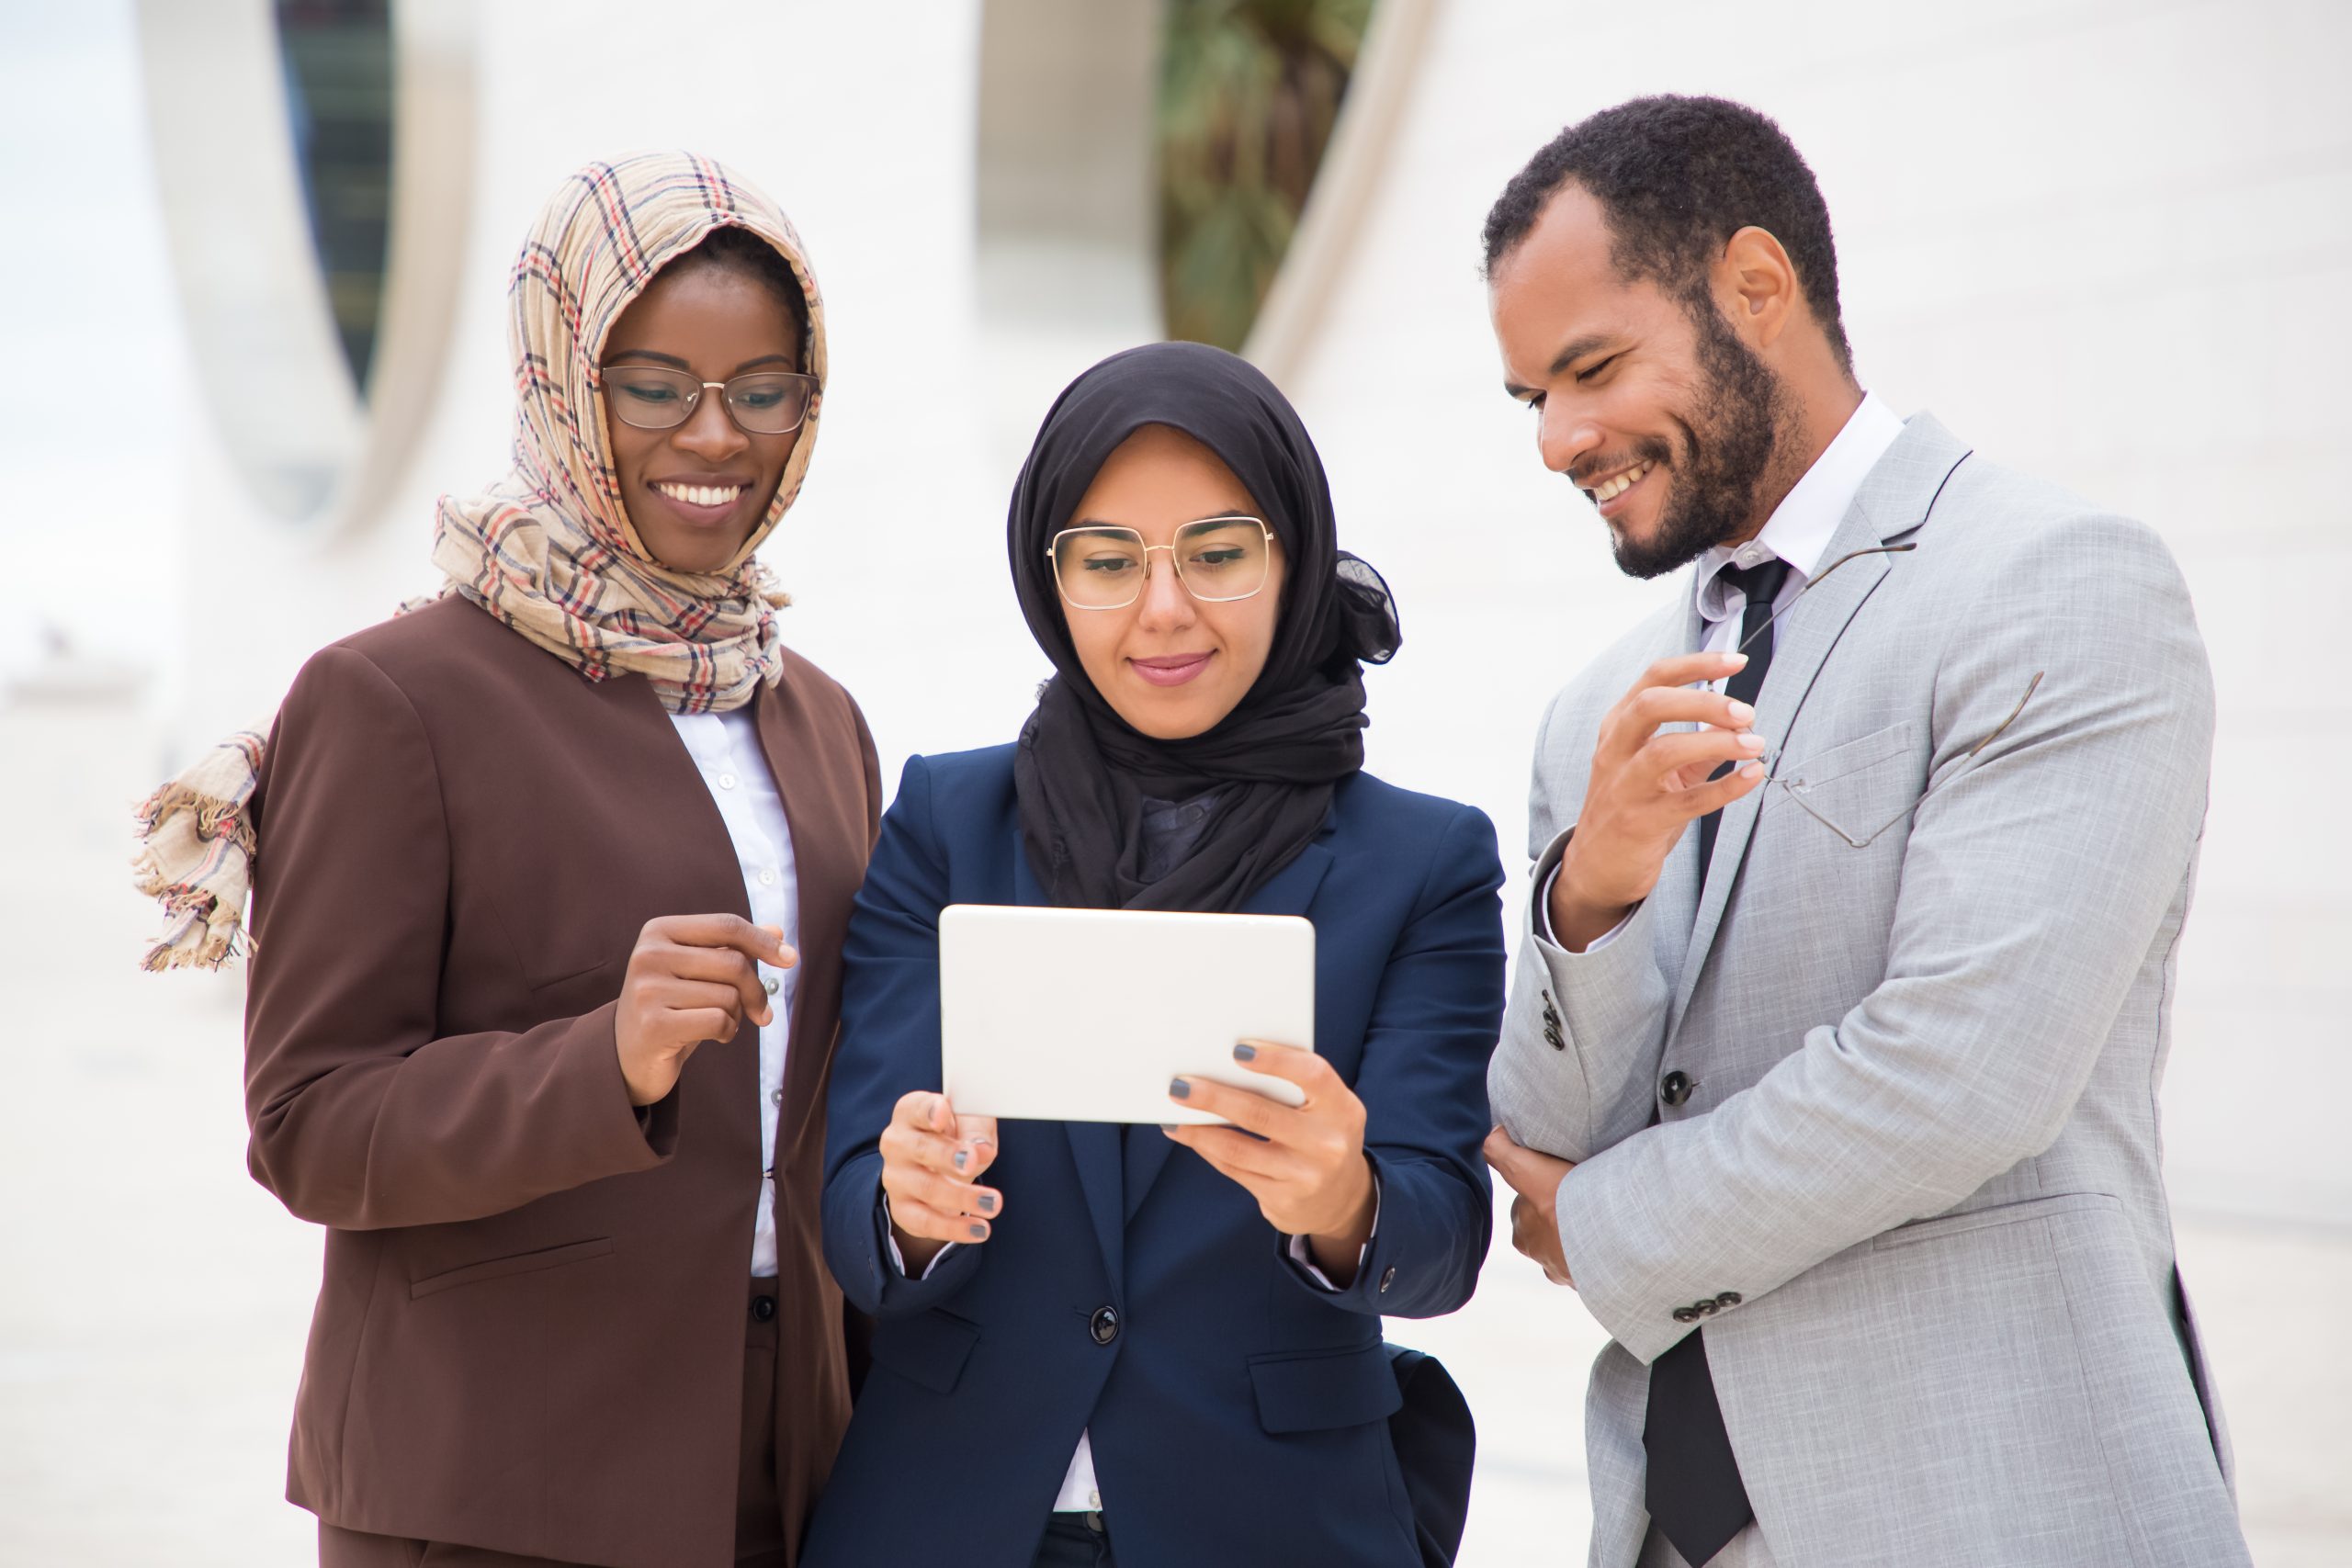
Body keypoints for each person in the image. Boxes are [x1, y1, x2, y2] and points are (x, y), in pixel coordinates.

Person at [1476, 96, 2251, 1568]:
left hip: (1997, 1506)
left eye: (1591, 369)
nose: (1563, 438)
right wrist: (1596, 895)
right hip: (1669, 1527)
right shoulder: (1595, 713)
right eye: (1532, 400)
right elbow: (1545, 1135)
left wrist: (1614, 1227)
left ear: (1757, 289)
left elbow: (1961, 1072)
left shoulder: (2051, 582)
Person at [133, 153, 878, 1567]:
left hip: (784, 1470)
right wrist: (604, 1063)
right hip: (499, 1483)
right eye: (655, 386)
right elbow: (308, 1123)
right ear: (565, 387)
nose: (714, 437)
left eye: (762, 390)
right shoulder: (394, 699)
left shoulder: (819, 717)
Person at [800, 342, 1504, 1568]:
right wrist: (904, 1207)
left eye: (1218, 554)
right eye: (1108, 562)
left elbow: (1440, 1236)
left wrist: (1344, 1201)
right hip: (947, 1513)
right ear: (1048, 576)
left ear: (1291, 556)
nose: (1163, 609)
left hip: (1276, 1525)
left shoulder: (1424, 862)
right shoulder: (948, 823)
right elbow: (856, 1201)